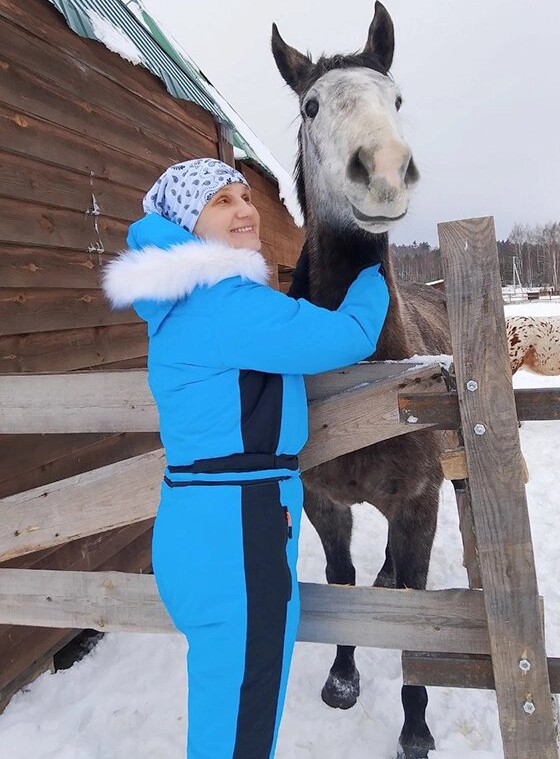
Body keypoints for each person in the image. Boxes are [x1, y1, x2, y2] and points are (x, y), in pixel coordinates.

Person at [101, 157, 389, 759]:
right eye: (221, 201)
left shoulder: (183, 299)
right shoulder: (220, 300)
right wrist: (373, 269)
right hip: (237, 531)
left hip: (206, 522)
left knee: (229, 711)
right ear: (188, 222)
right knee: (239, 728)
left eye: (244, 196)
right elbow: (347, 336)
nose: (245, 209)